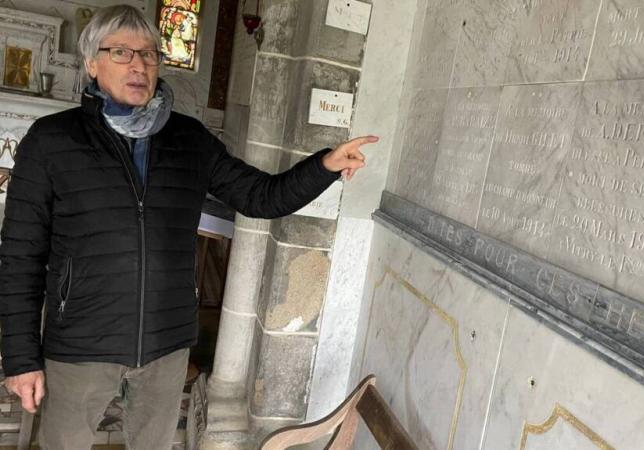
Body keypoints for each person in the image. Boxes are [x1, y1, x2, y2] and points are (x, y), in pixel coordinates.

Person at [0, 4, 377, 449]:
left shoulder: (189, 139)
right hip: (81, 341)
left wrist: (326, 166)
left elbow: (262, 196)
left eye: (150, 54)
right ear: (91, 62)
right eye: (121, 52)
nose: (139, 64)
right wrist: (21, 358)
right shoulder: (52, 140)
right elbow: (20, 254)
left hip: (165, 340)